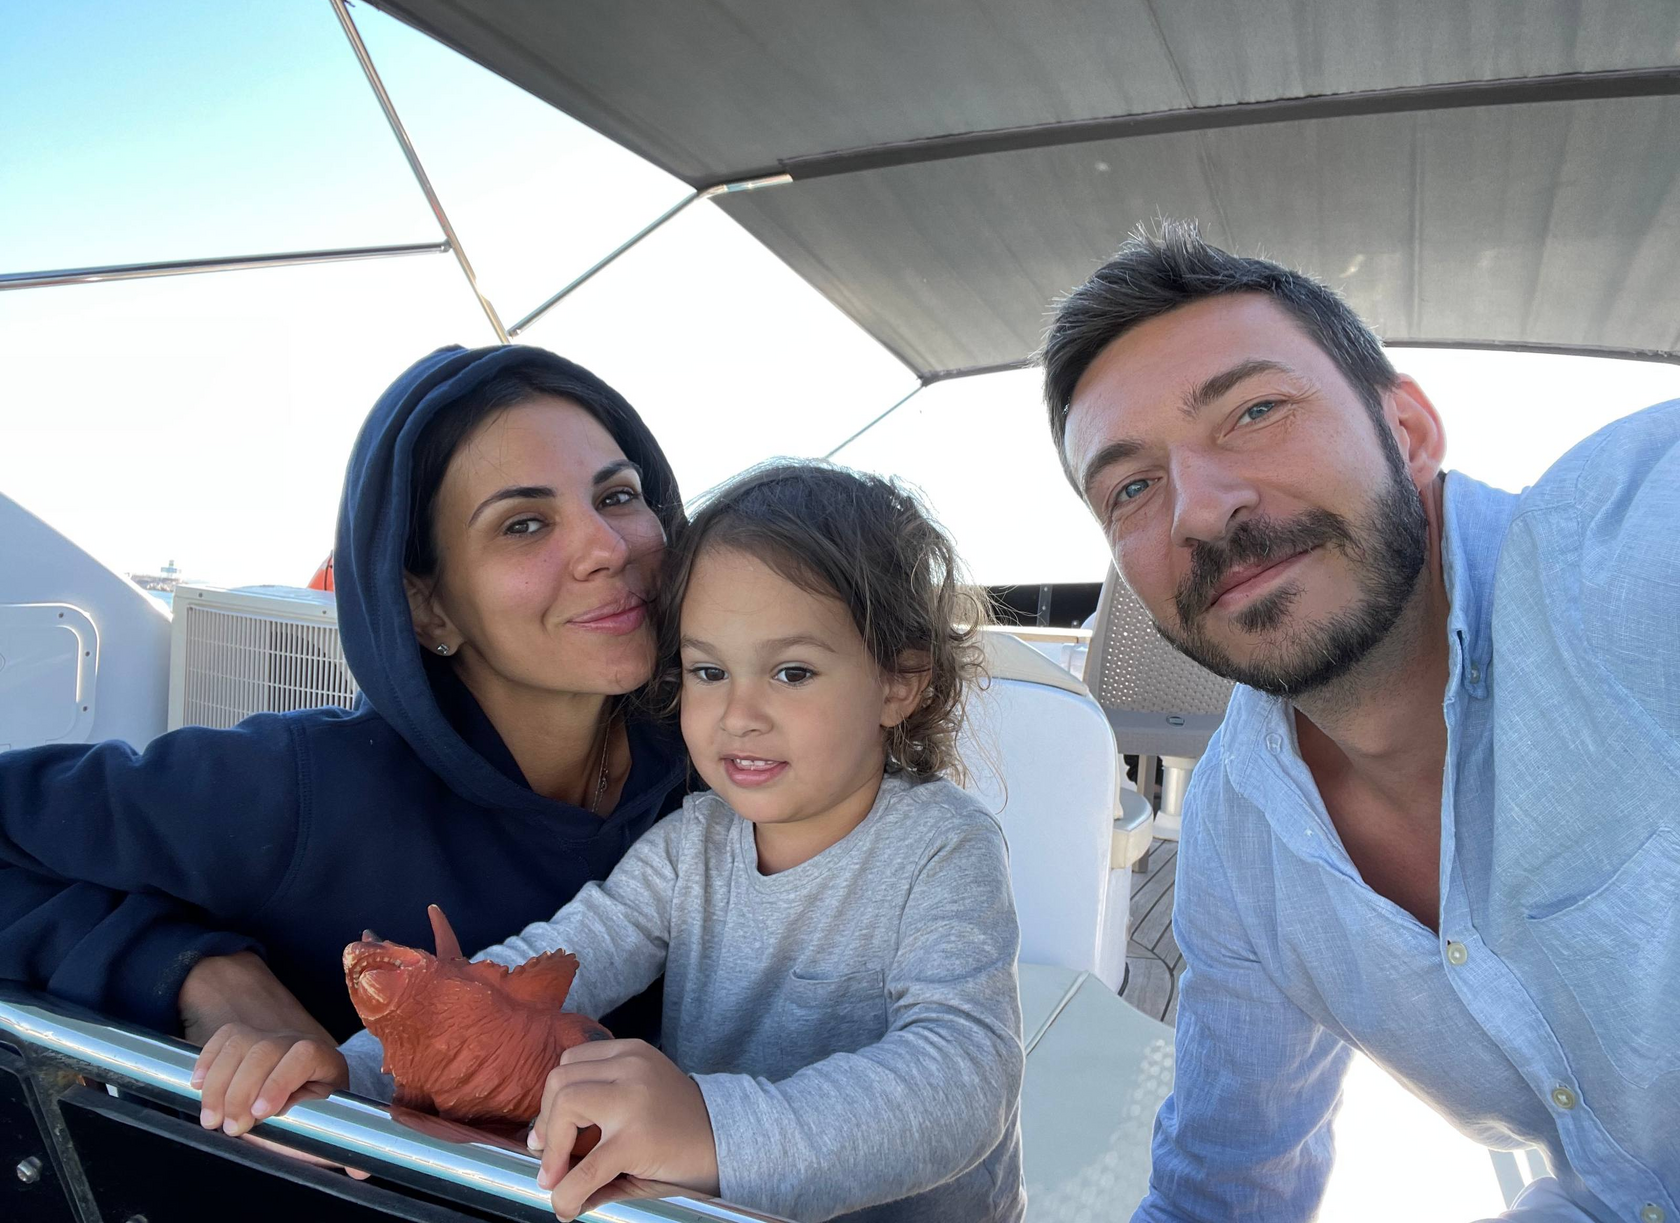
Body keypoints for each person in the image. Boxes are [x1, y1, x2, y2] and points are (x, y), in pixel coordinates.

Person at [193, 461, 1028, 1223]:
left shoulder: (943, 846)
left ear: (899, 682)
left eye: (792, 672)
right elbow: (551, 964)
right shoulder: (692, 843)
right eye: (708, 671)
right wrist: (358, 1073)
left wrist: (712, 1129)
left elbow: (966, 1077)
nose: (738, 714)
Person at [1044, 222, 1677, 1222]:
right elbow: (1224, 1188)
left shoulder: (1626, 557)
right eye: (1131, 487)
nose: (1199, 512)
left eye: (1255, 411)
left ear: (1410, 433)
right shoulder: (1240, 836)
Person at [0, 345, 691, 1085]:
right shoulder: (301, 787)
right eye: (523, 524)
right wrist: (194, 970)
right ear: (425, 608)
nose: (606, 548)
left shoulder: (725, 767)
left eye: (618, 496)